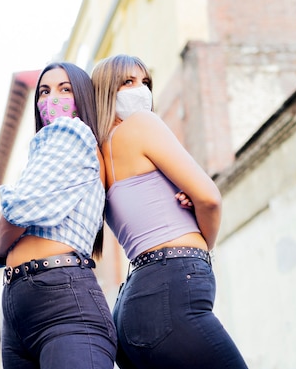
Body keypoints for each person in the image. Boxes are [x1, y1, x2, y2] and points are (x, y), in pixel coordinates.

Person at [91, 54, 249, 369]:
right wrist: (203, 245)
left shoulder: (96, 152)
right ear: (106, 91)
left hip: (130, 309)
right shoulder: (142, 123)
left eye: (145, 82)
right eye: (128, 82)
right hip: (171, 287)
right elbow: (210, 199)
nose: (140, 90)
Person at [0, 62, 117, 369]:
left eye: (65, 89)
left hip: (62, 304)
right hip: (20, 311)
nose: (53, 98)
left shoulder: (72, 132)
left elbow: (7, 224)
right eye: (45, 91)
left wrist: (5, 238)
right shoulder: (41, 158)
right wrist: (8, 224)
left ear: (82, 99)